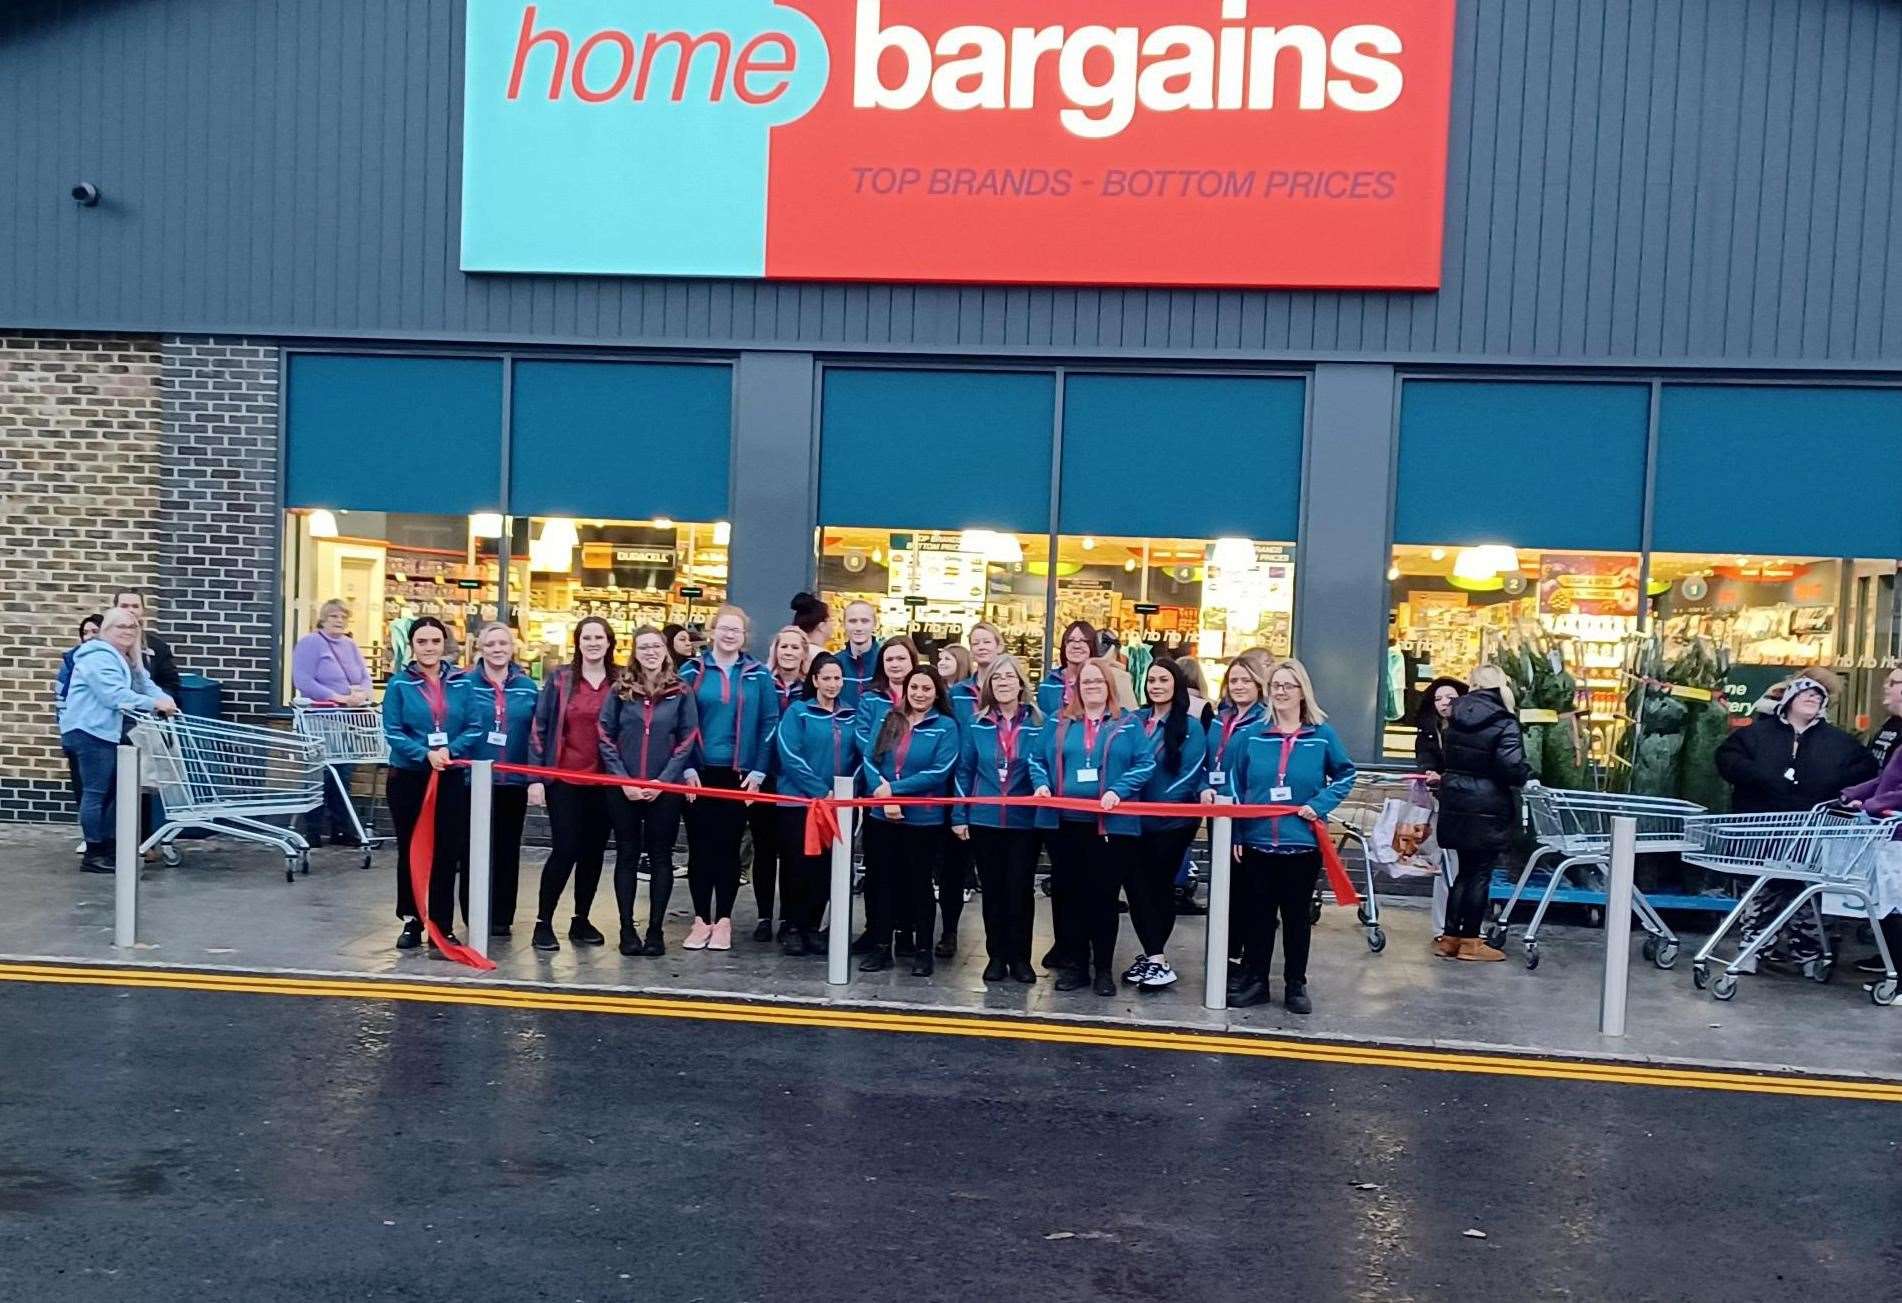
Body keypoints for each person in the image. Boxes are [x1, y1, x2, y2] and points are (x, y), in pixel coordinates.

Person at [1717, 674, 1877, 973]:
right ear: (1788, 700)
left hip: (1815, 832)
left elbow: (1865, 770)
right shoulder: (1755, 735)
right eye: (1806, 695)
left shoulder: (1839, 742)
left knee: (1810, 896)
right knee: (1763, 891)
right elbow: (1728, 760)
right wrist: (1760, 778)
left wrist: (1835, 789)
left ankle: (1809, 955)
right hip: (1763, 828)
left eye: (1818, 697)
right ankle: (1754, 948)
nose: (1812, 699)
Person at [1225, 657, 1356, 1013]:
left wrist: (1321, 803)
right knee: (1259, 916)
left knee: (1297, 917)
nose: (1280, 692)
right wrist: (1237, 831)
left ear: (1302, 692)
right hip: (1257, 842)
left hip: (1301, 843)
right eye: (1275, 686)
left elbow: (1346, 774)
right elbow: (1233, 784)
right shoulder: (1250, 735)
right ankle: (1256, 981)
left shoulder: (1322, 735)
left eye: (1287, 686)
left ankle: (1296, 984)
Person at [1030, 657, 1156, 996]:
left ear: (1109, 686)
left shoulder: (1128, 724)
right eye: (1085, 682)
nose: (1092, 688)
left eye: (1098, 682)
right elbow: (1036, 759)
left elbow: (1146, 764)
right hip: (1065, 825)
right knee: (1069, 898)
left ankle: (1103, 969)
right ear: (1076, 688)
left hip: (1110, 828)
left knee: (1102, 899)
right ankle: (1075, 966)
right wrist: (1042, 784)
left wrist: (1118, 790)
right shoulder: (1059, 722)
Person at [381, 616, 484, 954]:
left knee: (446, 851)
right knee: (411, 850)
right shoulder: (399, 684)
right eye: (422, 642)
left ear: (444, 645)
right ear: (412, 646)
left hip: (450, 774)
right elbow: (393, 731)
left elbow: (474, 725)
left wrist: (449, 752)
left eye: (435, 642)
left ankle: (441, 923)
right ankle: (412, 919)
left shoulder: (462, 682)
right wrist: (424, 754)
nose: (429, 648)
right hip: (410, 776)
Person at [679, 605, 780, 952]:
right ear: (712, 631)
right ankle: (699, 920)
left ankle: (723, 919)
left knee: (728, 850)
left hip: (739, 776)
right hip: (698, 774)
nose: (729, 635)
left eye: (736, 630)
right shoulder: (691, 670)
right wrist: (687, 766)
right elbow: (681, 722)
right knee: (699, 849)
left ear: (744, 635)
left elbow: (770, 723)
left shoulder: (758, 675)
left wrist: (759, 769)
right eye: (723, 628)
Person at [599, 626, 697, 957]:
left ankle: (656, 930)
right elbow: (605, 735)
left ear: (666, 650)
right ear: (635, 651)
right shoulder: (620, 689)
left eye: (656, 646)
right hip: (622, 787)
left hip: (664, 788)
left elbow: (687, 738)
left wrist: (665, 780)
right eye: (644, 647)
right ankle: (627, 929)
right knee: (626, 854)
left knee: (661, 856)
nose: (651, 652)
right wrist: (623, 779)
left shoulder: (681, 690)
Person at [857, 666, 961, 976]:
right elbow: (869, 758)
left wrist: (894, 791)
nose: (919, 693)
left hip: (923, 821)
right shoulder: (891, 719)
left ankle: (922, 949)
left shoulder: (946, 727)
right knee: (883, 883)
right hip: (882, 816)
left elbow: (939, 772)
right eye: (914, 687)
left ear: (937, 693)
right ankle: (880, 948)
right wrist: (883, 795)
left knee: (920, 886)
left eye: (927, 689)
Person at [58, 609, 177, 873]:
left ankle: (109, 848)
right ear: (106, 630)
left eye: (133, 627)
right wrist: (154, 704)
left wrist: (165, 700)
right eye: (120, 626)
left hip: (107, 732)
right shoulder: (97, 656)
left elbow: (144, 684)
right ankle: (94, 853)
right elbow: (113, 695)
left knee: (112, 793)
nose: (127, 631)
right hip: (89, 731)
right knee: (96, 792)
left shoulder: (127, 657)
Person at [527, 617, 620, 953]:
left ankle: (581, 919)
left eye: (599, 637)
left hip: (605, 779)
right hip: (565, 777)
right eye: (586, 637)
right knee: (566, 848)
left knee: (594, 852)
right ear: (578, 642)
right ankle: (543, 921)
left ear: (609, 642)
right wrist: (536, 776)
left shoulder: (621, 679)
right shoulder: (561, 679)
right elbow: (541, 726)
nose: (593, 643)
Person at [951, 654, 1043, 983]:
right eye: (996, 678)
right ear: (989, 685)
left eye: (1009, 677)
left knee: (1020, 889)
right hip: (985, 819)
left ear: (1021, 683)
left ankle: (1021, 958)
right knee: (993, 890)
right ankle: (996, 956)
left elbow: (1043, 768)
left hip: (1025, 821)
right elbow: (963, 770)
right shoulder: (976, 723)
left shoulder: (1038, 723)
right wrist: (959, 815)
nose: (1003, 683)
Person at [1433, 666, 1528, 963]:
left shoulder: (1455, 717)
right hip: (1488, 804)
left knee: (1464, 871)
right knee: (1481, 873)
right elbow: (1510, 766)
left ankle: (1450, 938)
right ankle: (1472, 941)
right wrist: (1528, 775)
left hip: (1456, 800)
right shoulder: (1504, 721)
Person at [1126, 657, 1208, 990]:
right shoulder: (1134, 720)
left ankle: (1157, 958)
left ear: (1176, 685)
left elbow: (1191, 774)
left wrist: (1157, 806)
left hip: (1171, 823)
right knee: (1135, 888)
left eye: (1163, 680)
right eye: (1152, 680)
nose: (1156, 686)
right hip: (1131, 820)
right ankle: (1151, 956)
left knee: (1159, 888)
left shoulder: (1191, 726)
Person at [773, 651, 860, 956]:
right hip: (799, 804)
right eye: (827, 678)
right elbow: (789, 754)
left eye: (838, 678)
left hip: (837, 805)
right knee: (798, 866)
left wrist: (845, 791)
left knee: (826, 869)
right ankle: (793, 926)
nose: (833, 684)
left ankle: (812, 926)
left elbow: (860, 756)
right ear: (814, 680)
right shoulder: (798, 712)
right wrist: (820, 791)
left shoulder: (851, 714)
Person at [465, 622, 540, 938]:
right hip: (473, 780)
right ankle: (473, 913)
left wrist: (534, 777)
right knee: (472, 851)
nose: (497, 649)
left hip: (513, 780)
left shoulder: (527, 686)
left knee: (508, 849)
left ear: (513, 647)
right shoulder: (464, 684)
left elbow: (538, 735)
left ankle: (501, 917)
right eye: (490, 644)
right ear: (480, 648)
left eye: (503, 643)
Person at [291, 599, 376, 847]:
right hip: (320, 718)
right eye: (333, 617)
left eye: (343, 617)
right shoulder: (310, 643)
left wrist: (362, 695)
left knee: (344, 772)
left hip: (347, 719)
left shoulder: (350, 645)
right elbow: (303, 680)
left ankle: (341, 828)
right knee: (320, 773)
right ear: (323, 619)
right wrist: (336, 697)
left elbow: (364, 676)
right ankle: (313, 829)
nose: (339, 621)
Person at [748, 624, 810, 943]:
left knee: (791, 853)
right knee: (764, 849)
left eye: (795, 648)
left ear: (804, 653)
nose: (788, 652)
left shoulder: (809, 688)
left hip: (794, 781)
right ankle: (763, 916)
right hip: (764, 775)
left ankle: (788, 917)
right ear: (775, 650)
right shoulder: (761, 681)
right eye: (783, 647)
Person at [1847, 667, 1902, 974]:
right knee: (1887, 901)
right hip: (1887, 830)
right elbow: (1886, 777)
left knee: (1895, 904)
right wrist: (1853, 794)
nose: (1885, 687)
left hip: (1896, 829)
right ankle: (1889, 962)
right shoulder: (1892, 727)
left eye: (1893, 683)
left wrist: (1871, 803)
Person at [1411, 676, 1467, 941]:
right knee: (1446, 865)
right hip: (1443, 804)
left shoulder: (1470, 728)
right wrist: (1429, 772)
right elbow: (1424, 756)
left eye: (1450, 697)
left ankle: (1463, 927)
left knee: (1462, 868)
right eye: (1438, 698)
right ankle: (1443, 928)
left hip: (1468, 804)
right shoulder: (1429, 731)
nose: (1444, 703)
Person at [55, 614, 103, 854]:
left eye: (96, 631)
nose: (90, 636)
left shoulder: (108, 660)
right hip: (79, 732)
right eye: (86, 633)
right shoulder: (71, 662)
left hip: (101, 732)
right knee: (84, 788)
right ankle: (91, 838)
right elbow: (61, 699)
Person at [1038, 620, 1137, 717]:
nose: (1076, 645)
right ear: (1064, 645)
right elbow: (1042, 723)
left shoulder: (1115, 678)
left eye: (1084, 641)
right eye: (1071, 640)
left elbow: (1129, 719)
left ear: (1093, 645)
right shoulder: (1049, 684)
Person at [111, 589, 182, 699]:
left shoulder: (157, 646)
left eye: (135, 606)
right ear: (114, 609)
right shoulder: (104, 644)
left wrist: (158, 703)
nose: (130, 610)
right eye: (124, 606)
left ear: (143, 610)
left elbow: (170, 684)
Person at [837, 599, 882, 708]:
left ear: (875, 624)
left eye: (865, 621)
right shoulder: (835, 663)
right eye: (852, 621)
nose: (858, 627)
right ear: (844, 624)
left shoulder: (886, 661)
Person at [789, 592, 833, 666]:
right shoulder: (826, 659)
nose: (833, 625)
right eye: (831, 620)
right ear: (821, 626)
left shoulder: (789, 653)